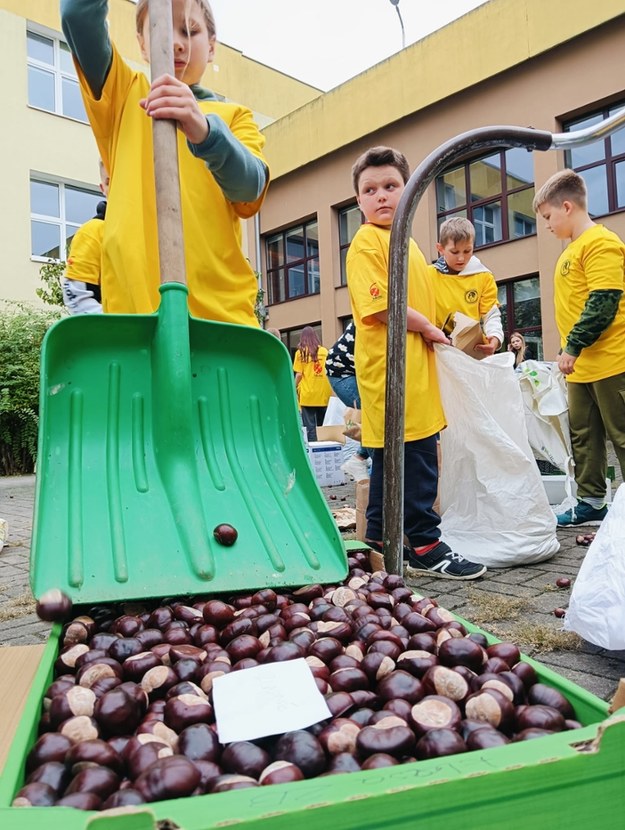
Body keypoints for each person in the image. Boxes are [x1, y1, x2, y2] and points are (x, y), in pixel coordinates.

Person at [61, 0, 269, 324]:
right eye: (160, 29)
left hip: (220, 324)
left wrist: (205, 132)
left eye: (190, 30)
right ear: (142, 43)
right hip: (136, 325)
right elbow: (77, 15)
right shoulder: (123, 96)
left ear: (212, 46)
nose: (175, 42)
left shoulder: (232, 118)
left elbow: (250, 188)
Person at [346, 145, 486, 579]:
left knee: (402, 458)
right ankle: (425, 543)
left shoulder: (408, 243)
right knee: (413, 459)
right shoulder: (366, 243)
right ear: (358, 201)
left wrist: (463, 334)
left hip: (417, 373)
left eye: (391, 186)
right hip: (390, 373)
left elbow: (431, 303)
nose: (382, 196)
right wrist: (427, 326)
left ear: (409, 190)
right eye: (370, 189)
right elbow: (383, 307)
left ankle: (379, 542)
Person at [533, 168, 625, 527]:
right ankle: (591, 502)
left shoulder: (601, 243)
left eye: (548, 217)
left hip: (613, 362)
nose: (547, 225)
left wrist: (572, 346)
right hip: (581, 368)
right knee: (584, 437)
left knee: (622, 435)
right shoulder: (572, 250)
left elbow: (603, 300)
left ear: (567, 207)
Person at [429, 217, 503, 357]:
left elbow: (491, 314)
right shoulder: (427, 275)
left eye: (467, 251)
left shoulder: (483, 276)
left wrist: (495, 337)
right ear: (440, 249)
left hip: (470, 353)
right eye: (455, 252)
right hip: (436, 351)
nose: (461, 258)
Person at [62, 159, 109, 315]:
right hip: (123, 334)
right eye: (110, 182)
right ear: (103, 188)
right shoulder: (93, 231)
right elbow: (77, 297)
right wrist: (119, 329)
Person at [325, 321, 371, 482]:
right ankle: (378, 471)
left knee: (374, 419)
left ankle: (359, 458)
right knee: (373, 417)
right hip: (342, 372)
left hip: (353, 370)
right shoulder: (376, 310)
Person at [293, 327, 332, 443]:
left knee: (310, 428)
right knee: (322, 427)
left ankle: (313, 454)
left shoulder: (300, 353)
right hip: (323, 393)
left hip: (308, 394)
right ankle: (323, 450)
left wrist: (293, 387)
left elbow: (299, 375)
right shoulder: (324, 352)